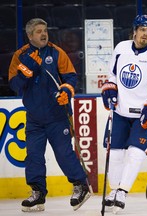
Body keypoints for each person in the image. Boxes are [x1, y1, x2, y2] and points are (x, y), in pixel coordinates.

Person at [8, 18, 90, 212]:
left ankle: (81, 186)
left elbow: (70, 77)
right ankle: (38, 194)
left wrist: (67, 92)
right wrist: (26, 71)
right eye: (38, 31)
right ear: (29, 35)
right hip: (34, 118)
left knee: (63, 153)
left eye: (45, 30)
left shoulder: (56, 52)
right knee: (34, 156)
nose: (43, 34)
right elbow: (15, 86)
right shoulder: (20, 56)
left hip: (57, 115)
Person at [101, 14, 147, 213]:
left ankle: (122, 191)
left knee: (135, 153)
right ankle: (114, 189)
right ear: (134, 30)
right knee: (114, 154)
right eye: (142, 30)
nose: (145, 34)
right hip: (120, 112)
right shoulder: (121, 48)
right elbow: (113, 74)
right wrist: (110, 87)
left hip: (144, 114)